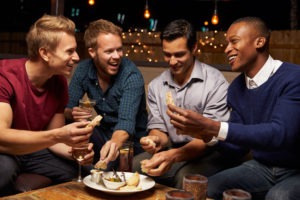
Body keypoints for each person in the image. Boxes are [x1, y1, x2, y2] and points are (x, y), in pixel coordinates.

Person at [167, 17, 300, 200]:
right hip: (262, 167)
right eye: (226, 43)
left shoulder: (293, 77)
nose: (227, 48)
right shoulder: (237, 88)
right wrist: (207, 135)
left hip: (296, 169)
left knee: (278, 196)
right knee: (208, 186)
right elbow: (238, 149)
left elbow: (280, 134)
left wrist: (213, 126)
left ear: (259, 42)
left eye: (234, 41)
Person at [132, 19, 239, 189]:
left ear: (194, 48)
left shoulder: (215, 82)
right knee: (136, 166)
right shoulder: (156, 86)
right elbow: (159, 129)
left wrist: (173, 156)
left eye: (179, 54)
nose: (172, 61)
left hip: (210, 150)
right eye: (167, 54)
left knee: (184, 178)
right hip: (173, 146)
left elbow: (211, 137)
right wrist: (154, 140)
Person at [0, 15, 95, 196]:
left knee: (85, 171)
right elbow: (1, 135)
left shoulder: (58, 82)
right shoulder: (5, 76)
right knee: (4, 169)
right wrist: (59, 135)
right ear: (44, 53)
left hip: (33, 150)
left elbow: (54, 139)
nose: (76, 57)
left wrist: (74, 151)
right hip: (6, 151)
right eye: (69, 51)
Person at [64, 19, 148, 170]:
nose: (117, 56)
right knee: (70, 130)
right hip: (101, 135)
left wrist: (113, 144)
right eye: (109, 51)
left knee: (107, 170)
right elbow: (66, 108)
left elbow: (126, 123)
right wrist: (72, 113)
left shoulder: (131, 76)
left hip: (130, 142)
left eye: (119, 49)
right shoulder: (83, 69)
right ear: (92, 52)